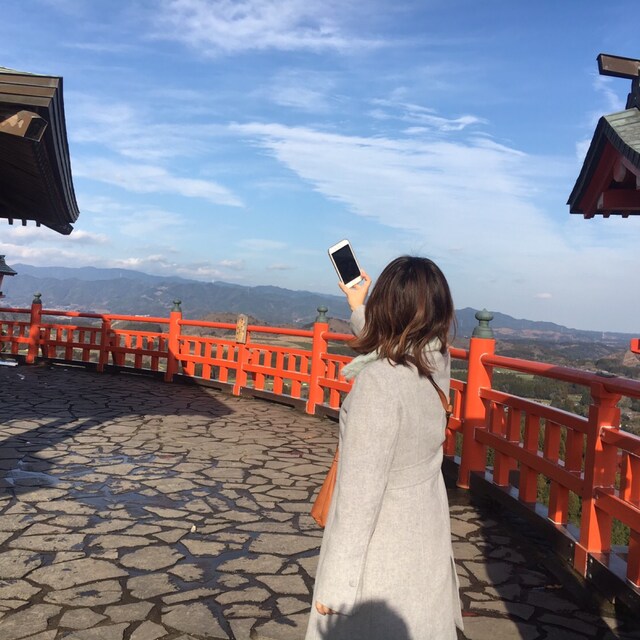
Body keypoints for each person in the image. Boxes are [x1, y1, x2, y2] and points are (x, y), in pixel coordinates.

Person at [305, 256, 463, 640]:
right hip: (424, 533)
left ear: (386, 308)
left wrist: (337, 583)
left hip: (383, 552)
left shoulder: (379, 383)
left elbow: (360, 495)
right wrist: (357, 307)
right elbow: (393, 344)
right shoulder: (436, 360)